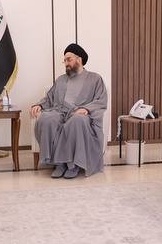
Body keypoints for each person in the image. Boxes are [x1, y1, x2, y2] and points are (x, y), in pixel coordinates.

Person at [32, 43, 108, 178]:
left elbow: (101, 100)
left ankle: (73, 165)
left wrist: (86, 108)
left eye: (69, 59)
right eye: (65, 61)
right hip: (60, 112)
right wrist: (40, 105)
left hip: (81, 114)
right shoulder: (61, 80)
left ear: (79, 59)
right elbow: (50, 98)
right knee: (46, 119)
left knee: (77, 121)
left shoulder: (95, 78)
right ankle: (59, 163)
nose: (66, 63)